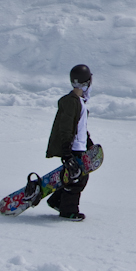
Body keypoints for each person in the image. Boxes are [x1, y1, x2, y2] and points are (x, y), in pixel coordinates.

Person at [45, 63, 95, 221]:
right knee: (76, 180)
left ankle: (56, 201)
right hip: (72, 147)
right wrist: (66, 153)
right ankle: (68, 210)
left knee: (78, 177)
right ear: (86, 83)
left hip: (78, 146)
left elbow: (80, 127)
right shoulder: (71, 102)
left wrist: (89, 143)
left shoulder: (79, 102)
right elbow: (66, 128)